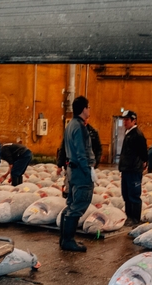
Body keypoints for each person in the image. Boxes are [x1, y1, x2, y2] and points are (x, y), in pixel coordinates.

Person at [60, 95, 95, 252]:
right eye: (88, 107)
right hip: (80, 172)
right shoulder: (79, 126)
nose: (89, 110)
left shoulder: (70, 125)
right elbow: (82, 153)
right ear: (83, 109)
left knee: (71, 204)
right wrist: (88, 172)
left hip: (72, 170)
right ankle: (68, 240)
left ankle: (64, 238)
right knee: (78, 204)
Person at [118, 110, 148, 225]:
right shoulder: (128, 133)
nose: (124, 122)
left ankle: (135, 218)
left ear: (133, 120)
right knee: (126, 194)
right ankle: (129, 216)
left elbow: (143, 152)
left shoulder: (137, 134)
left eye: (127, 120)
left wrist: (144, 162)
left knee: (134, 195)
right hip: (126, 169)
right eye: (124, 119)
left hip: (133, 170)